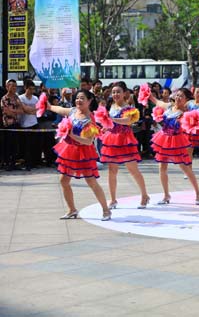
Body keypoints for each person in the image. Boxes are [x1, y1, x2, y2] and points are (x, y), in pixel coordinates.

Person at [47, 90, 111, 221]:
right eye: (77, 98)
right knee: (63, 181)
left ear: (89, 101)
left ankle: (106, 210)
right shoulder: (72, 111)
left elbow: (88, 141)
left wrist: (71, 135)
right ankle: (72, 210)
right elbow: (59, 109)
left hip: (83, 152)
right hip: (69, 150)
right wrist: (48, 106)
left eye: (82, 98)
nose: (78, 101)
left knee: (91, 182)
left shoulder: (90, 119)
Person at [100, 82, 150, 209]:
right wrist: (105, 128)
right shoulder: (111, 106)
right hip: (112, 139)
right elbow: (109, 123)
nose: (115, 94)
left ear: (124, 93)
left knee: (133, 170)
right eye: (114, 92)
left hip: (125, 140)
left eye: (118, 92)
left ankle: (144, 195)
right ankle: (113, 199)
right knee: (112, 171)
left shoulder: (128, 107)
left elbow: (128, 121)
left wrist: (111, 120)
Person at [150, 88, 199, 205]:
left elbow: (192, 124)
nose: (178, 98)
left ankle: (198, 192)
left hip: (176, 141)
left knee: (185, 168)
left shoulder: (185, 113)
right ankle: (166, 195)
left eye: (181, 96)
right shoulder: (169, 107)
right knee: (162, 168)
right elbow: (158, 103)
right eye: (177, 95)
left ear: (186, 100)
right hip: (163, 139)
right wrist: (149, 96)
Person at [18, 80, 40, 170]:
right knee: (26, 146)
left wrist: (29, 111)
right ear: (25, 88)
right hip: (24, 125)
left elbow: (38, 110)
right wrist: (32, 110)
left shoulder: (35, 98)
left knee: (34, 145)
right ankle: (26, 163)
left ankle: (34, 163)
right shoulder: (20, 98)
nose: (32, 91)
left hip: (34, 123)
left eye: (33, 89)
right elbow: (24, 109)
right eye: (30, 89)